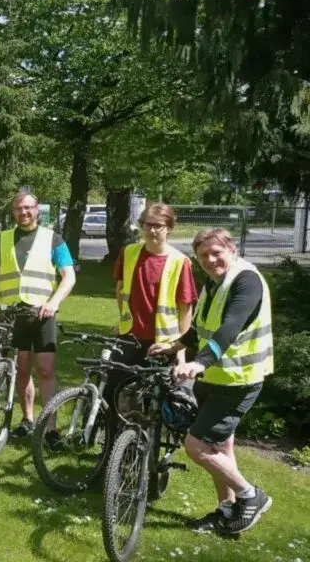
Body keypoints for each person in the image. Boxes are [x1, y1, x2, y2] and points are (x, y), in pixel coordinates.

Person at [149, 228, 273, 535]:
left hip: (238, 381)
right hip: (216, 378)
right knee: (219, 446)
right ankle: (227, 512)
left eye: (216, 252)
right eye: (203, 255)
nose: (210, 259)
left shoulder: (246, 281)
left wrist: (200, 361)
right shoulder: (214, 283)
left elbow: (230, 327)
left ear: (231, 249)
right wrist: (177, 345)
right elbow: (203, 325)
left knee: (197, 445)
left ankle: (250, 496)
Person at [0, 191, 76, 439]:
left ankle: (51, 427)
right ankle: (27, 419)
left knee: (45, 369)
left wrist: (54, 302)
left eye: (28, 208)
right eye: (18, 209)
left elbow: (69, 276)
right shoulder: (2, 240)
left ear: (37, 210)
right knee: (21, 369)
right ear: (13, 212)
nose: (23, 212)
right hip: (13, 315)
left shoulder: (53, 239)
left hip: (42, 313)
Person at [108, 203, 198, 442]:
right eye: (147, 224)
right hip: (129, 335)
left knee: (154, 401)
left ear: (169, 228)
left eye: (158, 226)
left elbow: (185, 306)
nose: (152, 230)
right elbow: (120, 289)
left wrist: (181, 346)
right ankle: (112, 445)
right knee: (112, 389)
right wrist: (123, 319)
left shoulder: (180, 261)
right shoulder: (128, 253)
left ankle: (146, 453)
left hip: (162, 342)